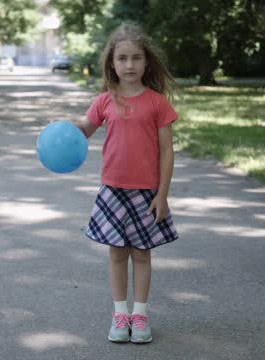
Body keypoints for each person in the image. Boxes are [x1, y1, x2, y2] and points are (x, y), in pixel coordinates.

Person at [75, 23, 179, 344]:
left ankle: (140, 314)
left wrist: (162, 195)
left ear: (146, 63)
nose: (130, 65)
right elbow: (83, 130)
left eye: (136, 58)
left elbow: (166, 152)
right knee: (117, 254)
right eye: (122, 58)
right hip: (113, 192)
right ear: (112, 64)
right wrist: (62, 129)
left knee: (143, 255)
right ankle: (120, 314)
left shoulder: (157, 103)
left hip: (147, 194)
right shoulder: (105, 101)